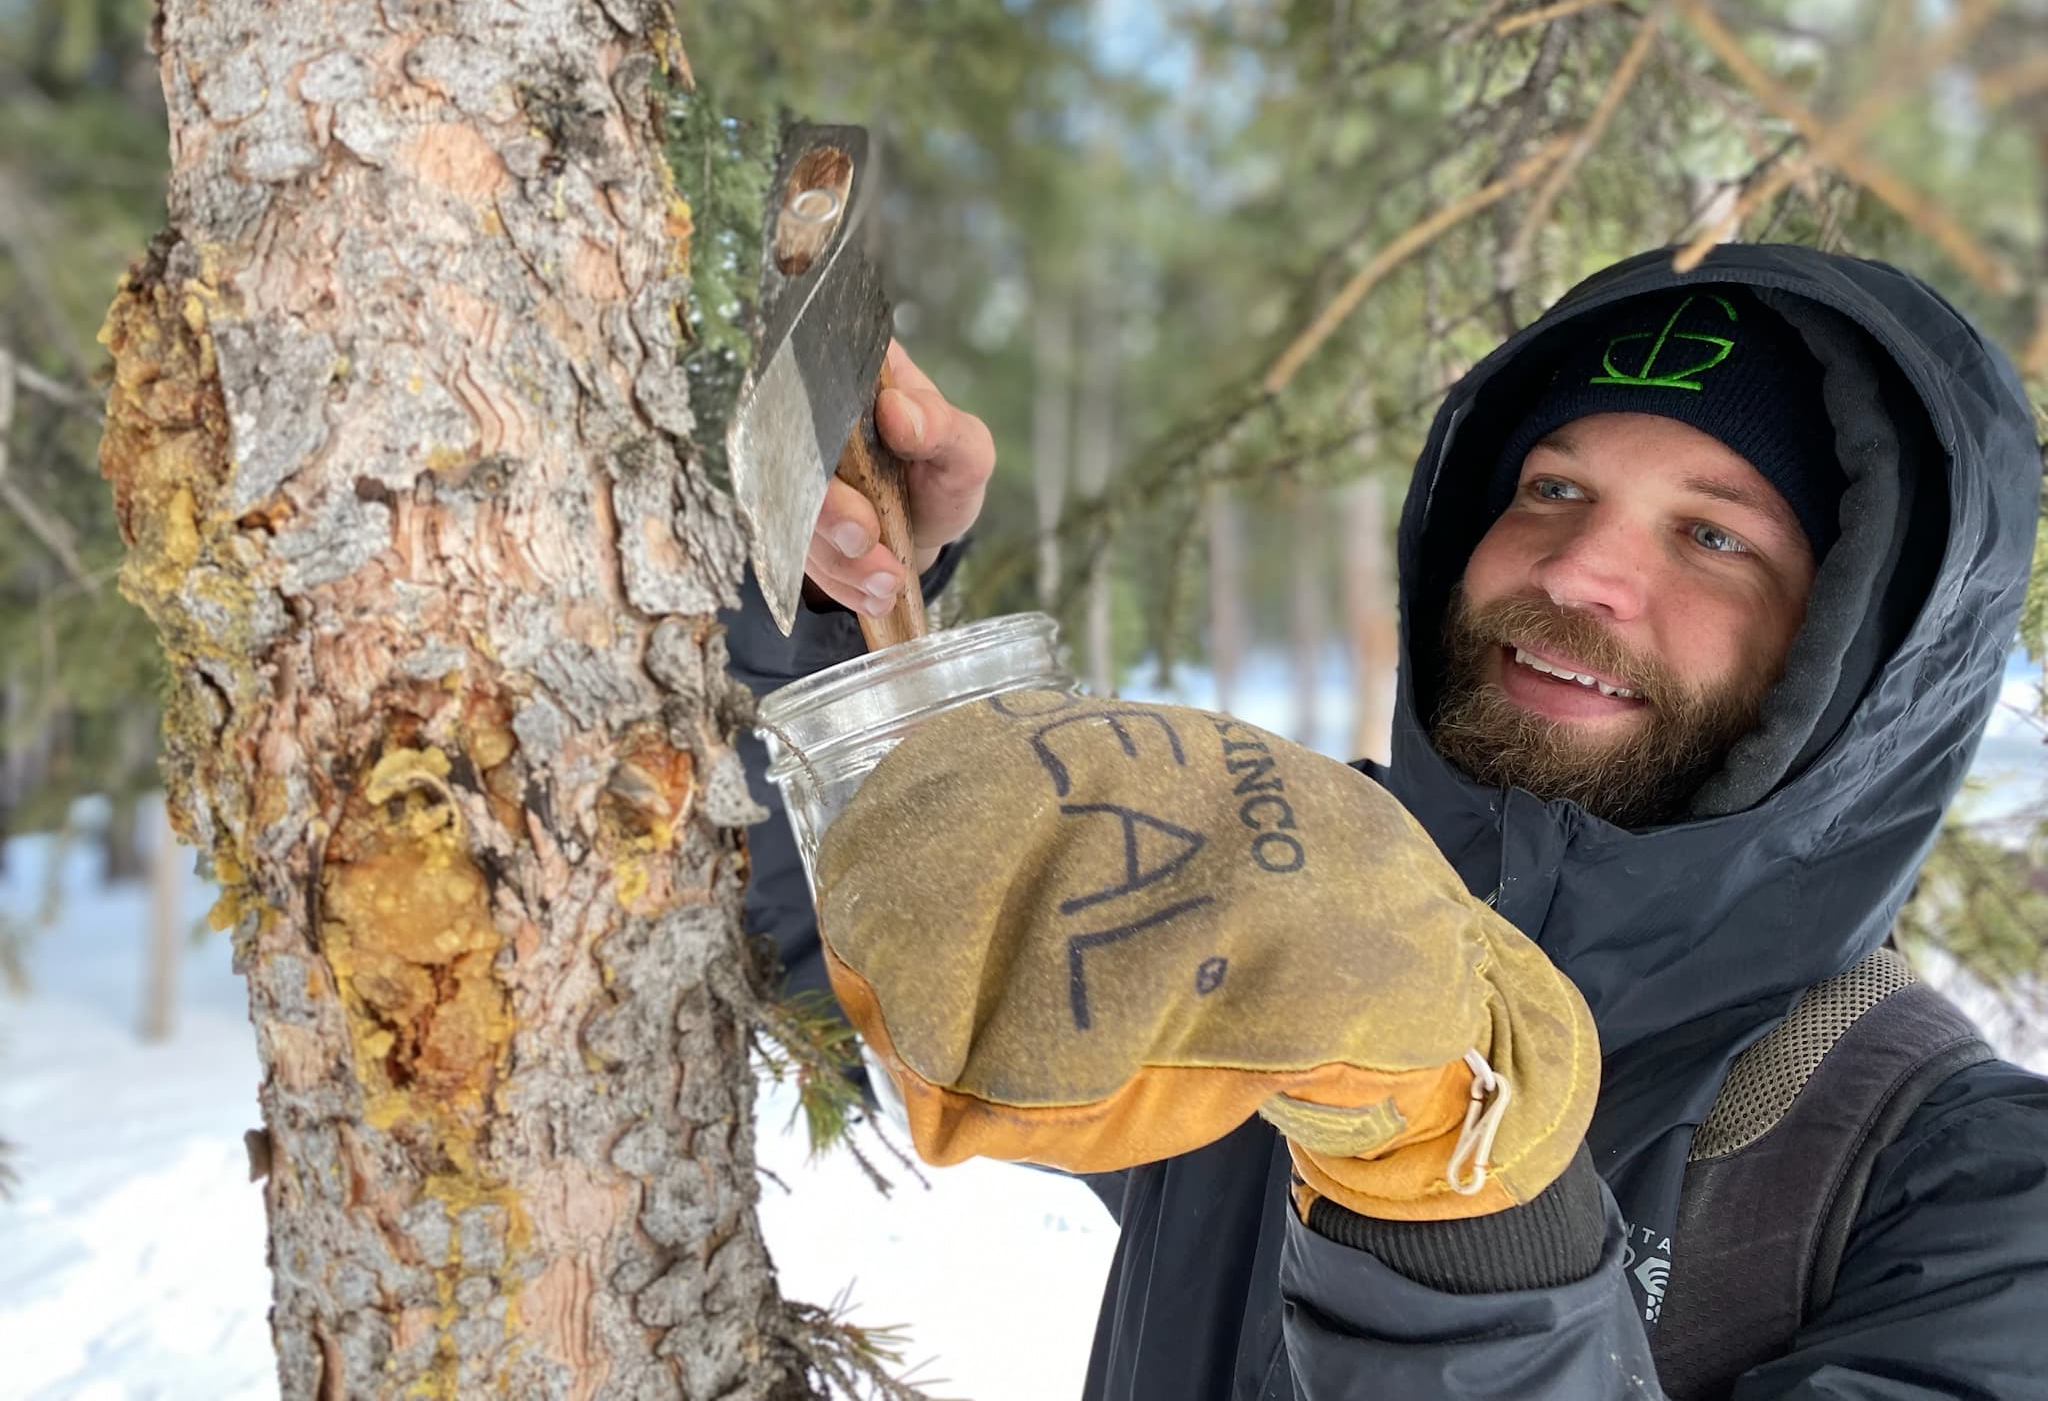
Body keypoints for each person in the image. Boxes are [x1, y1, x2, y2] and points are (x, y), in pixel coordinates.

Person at [721, 243, 2048, 1399]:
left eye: (1713, 537)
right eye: (1552, 489)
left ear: (1858, 658)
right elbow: (847, 955)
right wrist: (834, 615)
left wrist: (1460, 1197)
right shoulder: (1280, 901)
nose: (1580, 571)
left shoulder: (1971, 1198)